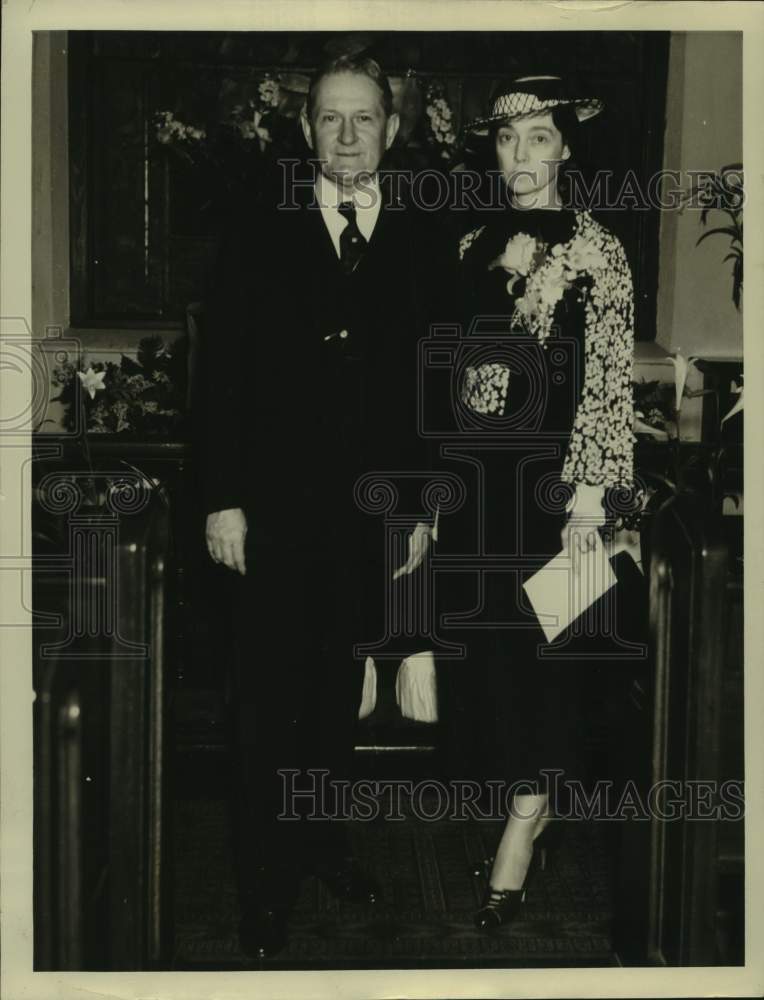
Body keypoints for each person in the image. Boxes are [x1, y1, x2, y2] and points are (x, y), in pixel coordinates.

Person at [198, 54, 447, 958]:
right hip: (271, 516)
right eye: (330, 119)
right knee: (269, 702)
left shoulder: (418, 236)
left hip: (369, 518)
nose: (347, 135)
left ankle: (323, 841)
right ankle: (264, 883)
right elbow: (219, 373)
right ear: (305, 130)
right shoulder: (255, 227)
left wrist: (419, 505)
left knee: (339, 694)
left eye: (364, 118)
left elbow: (431, 380)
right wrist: (223, 501)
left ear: (392, 130)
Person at [444, 75, 640, 930]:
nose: (520, 154)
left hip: (560, 489)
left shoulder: (601, 251)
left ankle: (523, 834)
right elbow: (448, 363)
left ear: (566, 147)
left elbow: (607, 383)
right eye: (505, 138)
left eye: (537, 137)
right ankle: (526, 809)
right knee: (493, 663)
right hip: (481, 485)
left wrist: (591, 501)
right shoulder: (471, 242)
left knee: (547, 662)